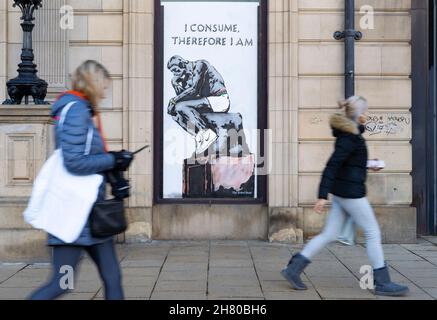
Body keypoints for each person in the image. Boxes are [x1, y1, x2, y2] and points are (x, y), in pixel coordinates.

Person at [281, 96, 409, 297]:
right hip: (351, 194)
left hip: (343, 193)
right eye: (365, 112)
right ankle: (382, 282)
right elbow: (332, 165)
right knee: (372, 232)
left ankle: (293, 269)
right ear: (358, 116)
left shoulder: (349, 135)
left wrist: (369, 164)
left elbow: (349, 164)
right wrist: (322, 195)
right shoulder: (350, 139)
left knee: (329, 234)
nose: (367, 115)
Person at [28, 60, 134, 300]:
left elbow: (88, 155)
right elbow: (74, 161)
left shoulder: (80, 109)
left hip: (91, 217)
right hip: (72, 218)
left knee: (112, 278)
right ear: (93, 83)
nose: (105, 93)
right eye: (104, 87)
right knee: (61, 283)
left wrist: (114, 165)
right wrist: (113, 160)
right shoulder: (76, 110)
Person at [167, 55, 231, 153]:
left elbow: (194, 90)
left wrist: (174, 100)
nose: (175, 74)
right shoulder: (186, 78)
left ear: (182, 63)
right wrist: (176, 85)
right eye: (173, 72)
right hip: (206, 101)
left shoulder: (200, 65)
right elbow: (185, 98)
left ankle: (207, 133)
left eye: (175, 70)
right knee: (176, 114)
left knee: (180, 106)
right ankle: (199, 136)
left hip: (219, 99)